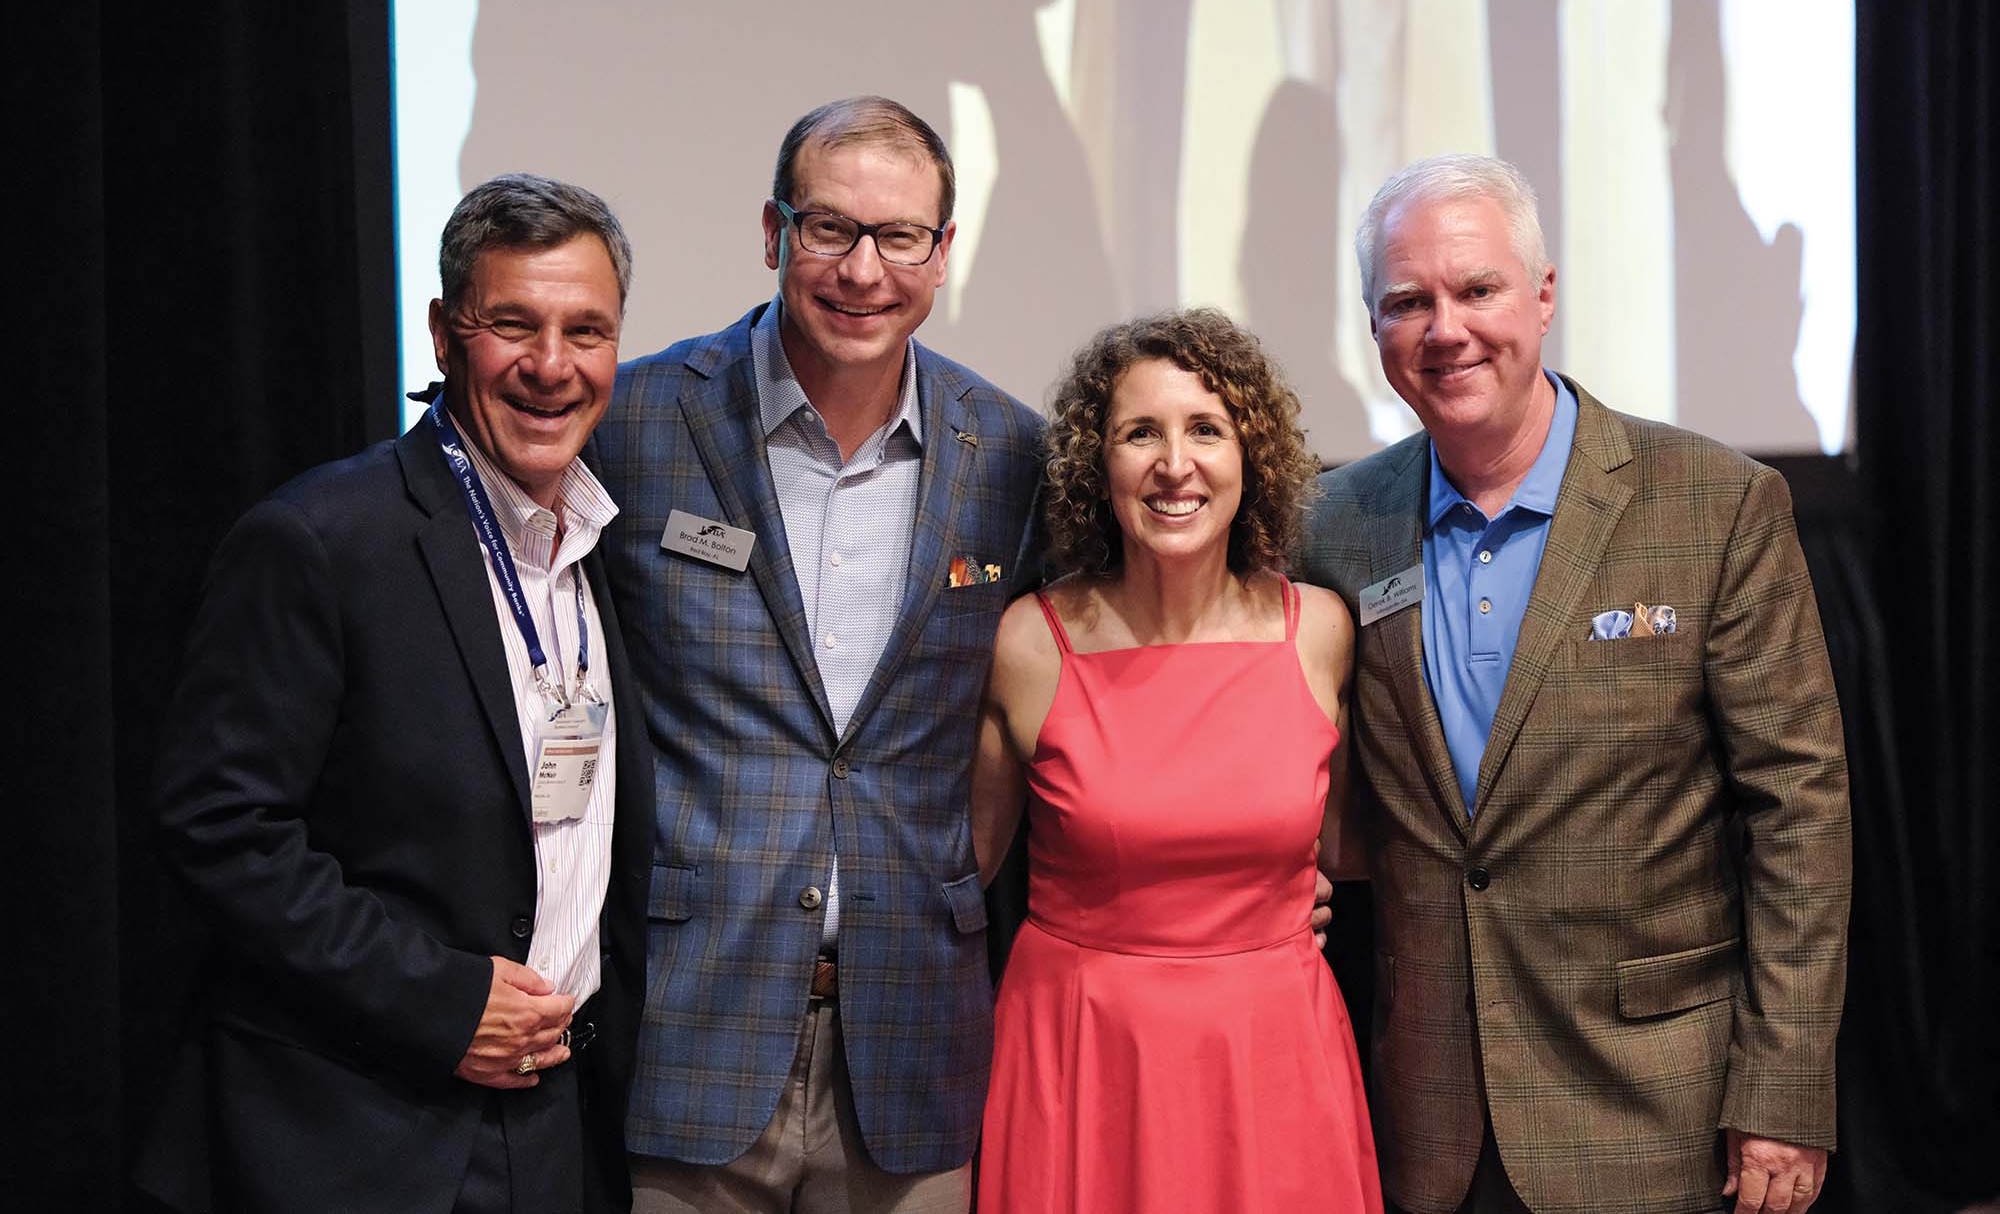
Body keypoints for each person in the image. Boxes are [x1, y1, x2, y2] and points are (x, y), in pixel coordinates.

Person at [1300, 154, 1850, 1214]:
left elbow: (1799, 815)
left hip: (1655, 1112)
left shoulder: (1713, 507)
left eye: (1475, 290)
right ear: (1372, 328)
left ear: (1543, 296)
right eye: (1406, 301)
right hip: (1428, 1116)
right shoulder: (1329, 526)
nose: (1444, 328)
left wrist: (1781, 1089)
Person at [137, 174, 652, 1213]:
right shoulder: (321, 540)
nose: (551, 366)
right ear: (442, 334)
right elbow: (219, 828)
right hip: (357, 1134)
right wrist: (443, 1000)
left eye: (585, 331)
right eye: (513, 324)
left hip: (556, 1127)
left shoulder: (601, 549)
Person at [590, 97, 1046, 1211]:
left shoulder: (1010, 458)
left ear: (942, 254)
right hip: (691, 1024)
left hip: (913, 1037)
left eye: (899, 237)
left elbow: (1056, 711)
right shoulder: (638, 422)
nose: (861, 270)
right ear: (773, 232)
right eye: (828, 228)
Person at [971, 309, 1385, 1212]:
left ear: (1253, 456)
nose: (1175, 463)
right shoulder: (1031, 643)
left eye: (1207, 428)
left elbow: (1347, 851)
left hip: (1275, 1055)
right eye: (1139, 433)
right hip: (1081, 1054)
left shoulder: (1319, 630)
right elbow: (966, 871)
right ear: (1097, 463)